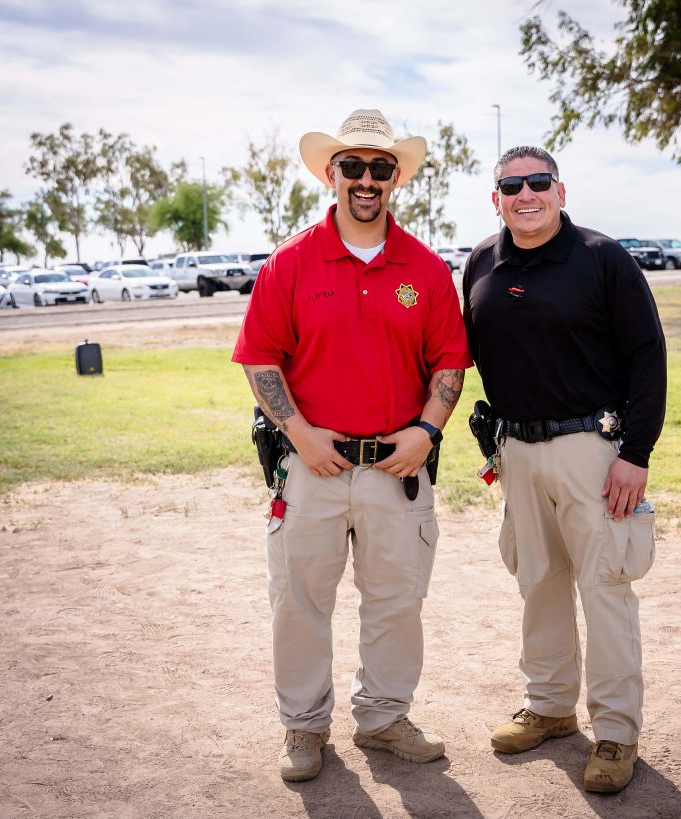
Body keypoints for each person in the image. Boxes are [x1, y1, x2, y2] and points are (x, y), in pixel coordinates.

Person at [232, 109, 471, 783]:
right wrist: (301, 437)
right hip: (311, 465)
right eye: (354, 166)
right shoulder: (290, 263)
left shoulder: (424, 269)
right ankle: (304, 727)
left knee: (397, 598)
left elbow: (449, 363)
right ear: (330, 173)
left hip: (397, 470)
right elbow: (261, 361)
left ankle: (385, 717)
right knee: (300, 599)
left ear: (396, 178)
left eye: (380, 168)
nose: (367, 180)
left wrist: (426, 432)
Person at [462, 146, 667, 793]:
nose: (526, 193)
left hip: (594, 450)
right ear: (495, 197)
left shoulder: (603, 258)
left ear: (561, 190)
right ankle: (550, 706)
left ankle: (615, 731)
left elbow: (648, 355)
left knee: (605, 586)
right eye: (511, 185)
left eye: (538, 182)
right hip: (515, 452)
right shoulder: (479, 263)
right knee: (538, 580)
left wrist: (636, 453)